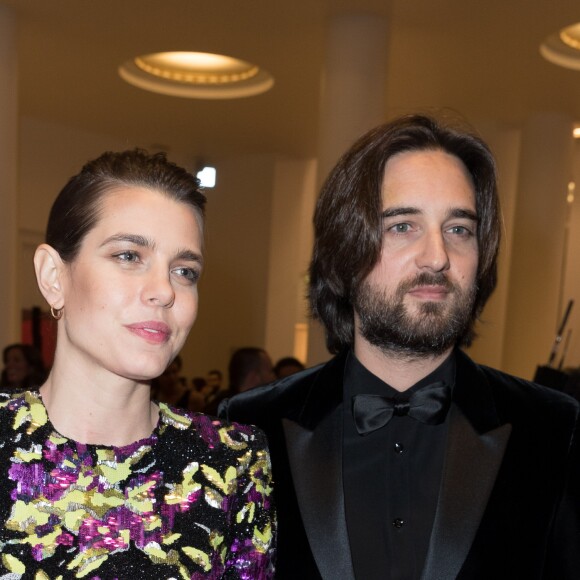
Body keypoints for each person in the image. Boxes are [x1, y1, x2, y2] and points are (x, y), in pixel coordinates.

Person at [220, 115, 580, 579]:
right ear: (345, 249)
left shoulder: (554, 430)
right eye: (403, 226)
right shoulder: (248, 429)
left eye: (459, 229)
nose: (437, 257)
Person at [0, 150, 275, 578]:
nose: (164, 290)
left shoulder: (232, 462)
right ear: (54, 276)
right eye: (129, 256)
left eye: (185, 270)